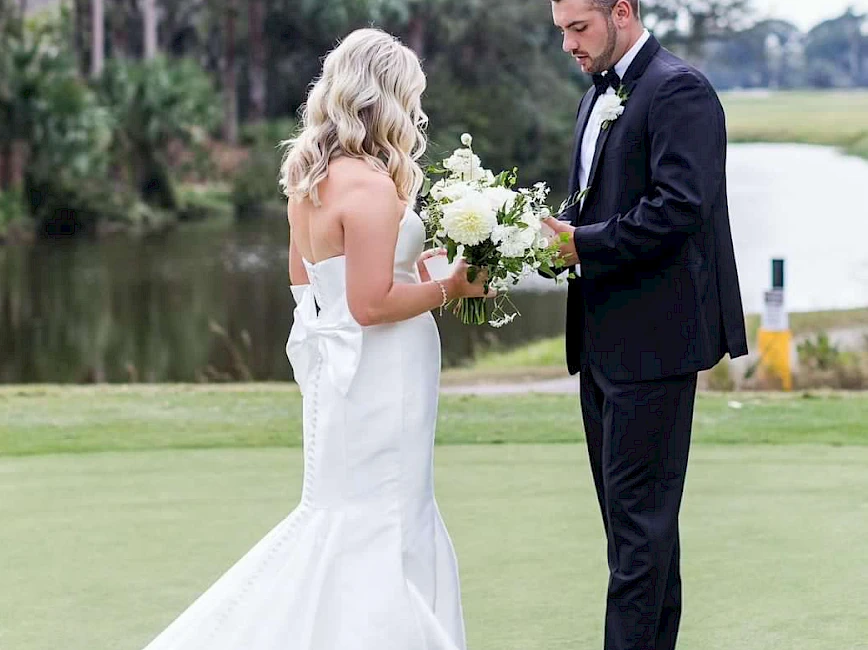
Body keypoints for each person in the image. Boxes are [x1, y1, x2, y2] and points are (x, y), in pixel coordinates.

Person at [137, 28, 491, 650]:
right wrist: (451, 288)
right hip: (385, 373)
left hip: (343, 375)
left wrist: (419, 266)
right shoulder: (374, 185)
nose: (416, 111)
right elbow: (373, 302)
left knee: (342, 510)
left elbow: (307, 279)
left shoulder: (310, 176)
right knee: (385, 514)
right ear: (385, 97)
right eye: (411, 97)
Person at [542, 2, 748, 649]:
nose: (569, 45)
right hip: (601, 345)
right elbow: (592, 204)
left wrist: (585, 244)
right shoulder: (597, 96)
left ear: (622, 13)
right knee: (639, 536)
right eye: (562, 31)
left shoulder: (679, 90)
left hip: (654, 348)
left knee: (638, 539)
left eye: (579, 28)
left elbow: (681, 208)